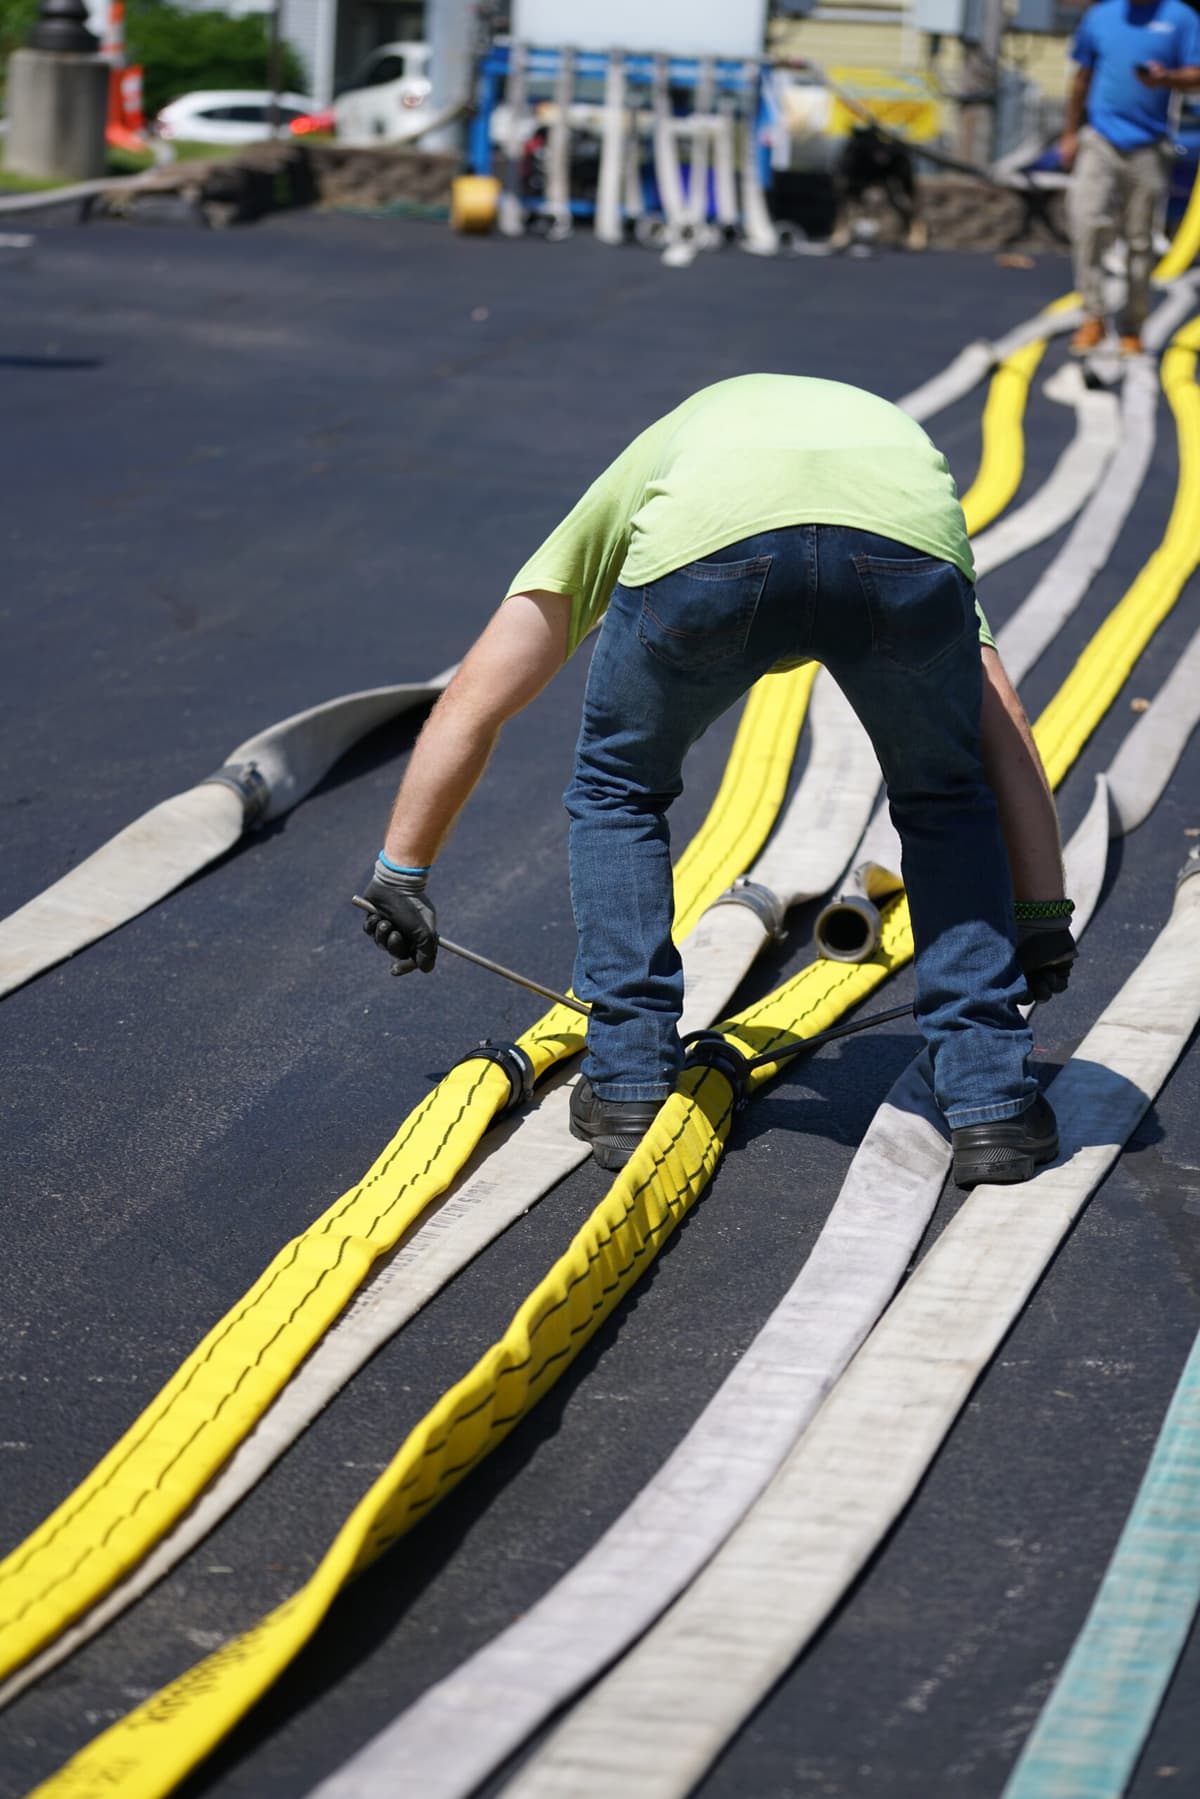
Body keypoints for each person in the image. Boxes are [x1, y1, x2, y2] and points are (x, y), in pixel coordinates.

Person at [359, 375, 1076, 1190]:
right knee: (945, 795)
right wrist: (1041, 917)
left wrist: (401, 874)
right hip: (898, 542)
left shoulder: (649, 473)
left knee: (619, 786)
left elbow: (476, 698)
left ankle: (629, 1082)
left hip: (713, 540)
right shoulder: (891, 473)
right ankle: (991, 1103)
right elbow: (1006, 727)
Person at [1060, 0, 1200, 357]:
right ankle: (1093, 315)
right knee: (1087, 222)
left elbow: (1196, 75)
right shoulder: (1101, 17)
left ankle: (1133, 325)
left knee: (1140, 239)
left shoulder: (1181, 18)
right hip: (1101, 139)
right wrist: (1070, 134)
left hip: (1149, 144)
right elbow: (1081, 78)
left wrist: (1166, 79)